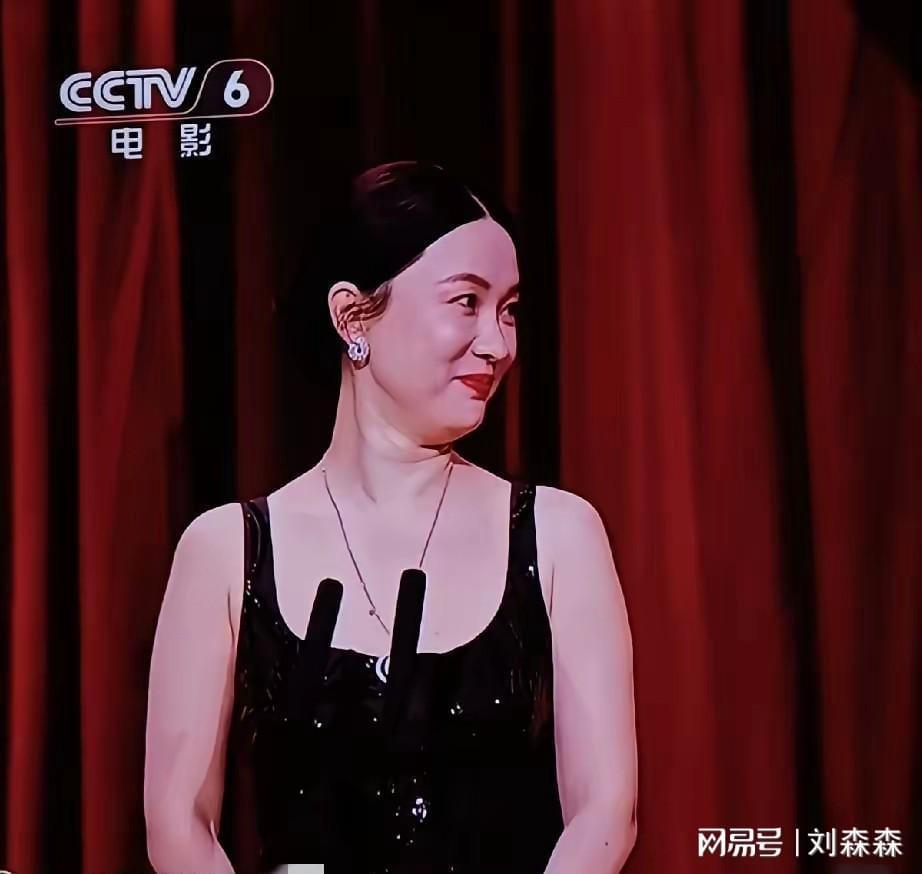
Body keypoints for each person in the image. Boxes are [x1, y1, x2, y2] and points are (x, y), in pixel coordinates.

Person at [144, 161, 637, 873]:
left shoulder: (559, 534)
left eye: (509, 310)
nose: (498, 344)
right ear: (353, 317)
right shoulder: (225, 549)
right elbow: (178, 823)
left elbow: (606, 811)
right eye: (466, 302)